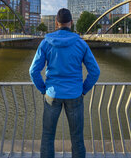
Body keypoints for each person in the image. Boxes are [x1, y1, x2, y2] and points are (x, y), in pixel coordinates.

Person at [29, 8, 100, 158]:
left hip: (52, 95)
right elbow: (95, 71)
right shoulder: (81, 44)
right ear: (71, 23)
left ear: (56, 23)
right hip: (75, 95)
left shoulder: (46, 43)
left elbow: (33, 71)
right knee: (77, 138)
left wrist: (44, 89)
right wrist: (83, 90)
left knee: (47, 136)